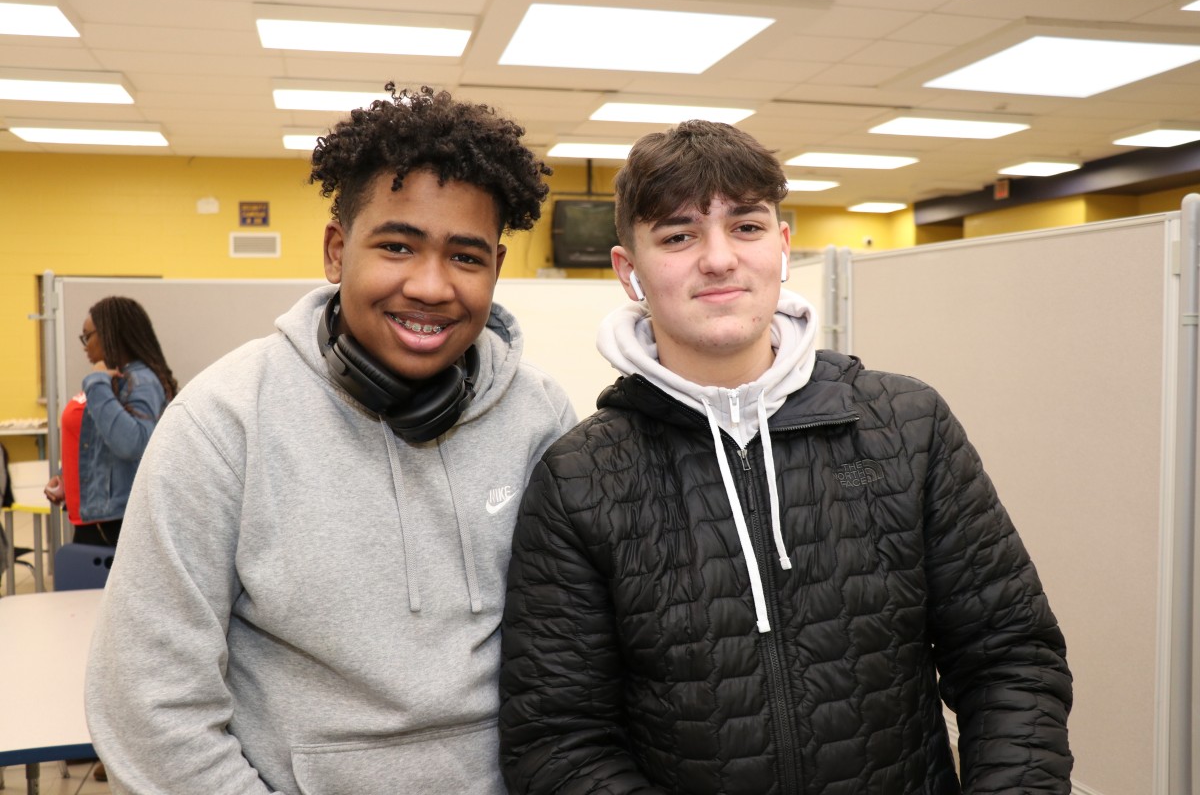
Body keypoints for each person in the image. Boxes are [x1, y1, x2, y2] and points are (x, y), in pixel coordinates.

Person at [499, 120, 1073, 794]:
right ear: (630, 271)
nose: (718, 259)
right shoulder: (581, 478)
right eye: (679, 235)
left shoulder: (907, 426)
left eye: (745, 227)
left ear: (782, 245)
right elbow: (558, 741)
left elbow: (1011, 659)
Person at [85, 84, 576, 795]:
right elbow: (148, 705)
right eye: (398, 245)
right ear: (336, 250)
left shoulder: (541, 418)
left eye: (466, 257)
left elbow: (576, 671)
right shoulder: (223, 422)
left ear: (496, 270)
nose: (431, 285)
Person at [44, 296, 176, 547]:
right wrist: (67, 478)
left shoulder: (139, 381)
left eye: (87, 336)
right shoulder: (110, 377)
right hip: (95, 518)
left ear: (109, 334)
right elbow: (98, 443)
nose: (85, 346)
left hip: (117, 525)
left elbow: (133, 443)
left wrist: (96, 383)